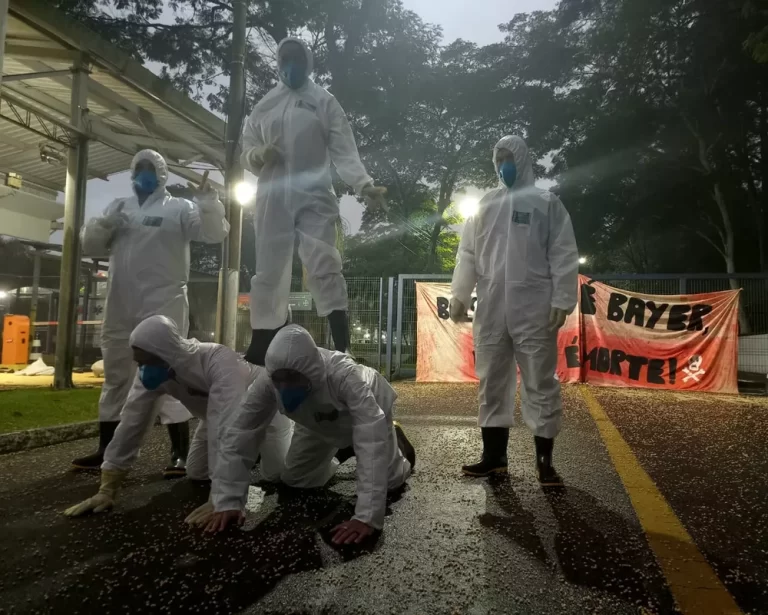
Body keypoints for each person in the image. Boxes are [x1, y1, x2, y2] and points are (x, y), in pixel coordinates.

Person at [74, 150, 230, 476]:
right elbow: (90, 246)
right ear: (133, 172)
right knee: (117, 372)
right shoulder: (119, 207)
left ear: (162, 173)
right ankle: (107, 448)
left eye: (151, 168)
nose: (145, 173)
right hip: (120, 302)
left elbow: (214, 234)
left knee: (172, 370)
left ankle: (180, 452)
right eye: (140, 168)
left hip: (164, 302)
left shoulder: (180, 208)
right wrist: (102, 226)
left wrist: (207, 203)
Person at [191, 325, 415, 545]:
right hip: (316, 422)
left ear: (312, 370)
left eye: (292, 378)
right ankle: (344, 448)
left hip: (370, 416)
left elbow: (371, 437)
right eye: (279, 379)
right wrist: (228, 500)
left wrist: (366, 517)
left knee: (390, 482)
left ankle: (398, 442)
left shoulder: (347, 377)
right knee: (297, 480)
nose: (284, 386)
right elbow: (241, 432)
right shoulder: (267, 383)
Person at [240, 37, 387, 365]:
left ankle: (341, 344)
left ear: (308, 63)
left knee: (324, 263)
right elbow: (246, 149)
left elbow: (344, 149)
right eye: (285, 59)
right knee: (268, 269)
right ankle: (262, 341)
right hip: (272, 195)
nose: (290, 66)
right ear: (279, 62)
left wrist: (364, 184)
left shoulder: (323, 102)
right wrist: (258, 155)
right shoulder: (265, 105)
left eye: (297, 60)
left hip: (315, 195)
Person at [63, 316, 293, 517]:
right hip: (215, 417)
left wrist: (223, 499)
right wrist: (107, 488)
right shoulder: (156, 370)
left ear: (166, 351)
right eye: (139, 363)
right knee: (197, 473)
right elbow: (132, 423)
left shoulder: (218, 360)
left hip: (265, 412)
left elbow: (226, 428)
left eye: (147, 361)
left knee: (278, 474)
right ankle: (248, 454)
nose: (143, 369)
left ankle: (304, 454)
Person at [449, 135, 579, 485]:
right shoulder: (486, 205)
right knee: (491, 380)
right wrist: (459, 294)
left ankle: (544, 462)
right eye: (499, 158)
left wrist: (563, 299)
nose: (503, 164)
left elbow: (563, 252)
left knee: (540, 382)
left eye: (509, 157)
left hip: (534, 308)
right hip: (491, 306)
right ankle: (494, 458)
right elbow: (468, 254)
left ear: (522, 159)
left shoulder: (545, 203)